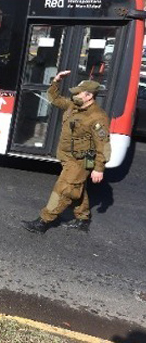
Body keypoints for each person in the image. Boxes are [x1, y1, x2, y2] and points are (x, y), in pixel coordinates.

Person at [22, 70, 111, 234]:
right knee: (77, 186)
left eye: (78, 93)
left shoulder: (97, 117)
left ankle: (43, 221)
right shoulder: (73, 105)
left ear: (89, 96)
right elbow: (53, 98)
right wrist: (56, 81)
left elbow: (103, 144)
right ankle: (83, 218)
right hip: (67, 156)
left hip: (82, 160)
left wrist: (99, 168)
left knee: (64, 189)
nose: (74, 95)